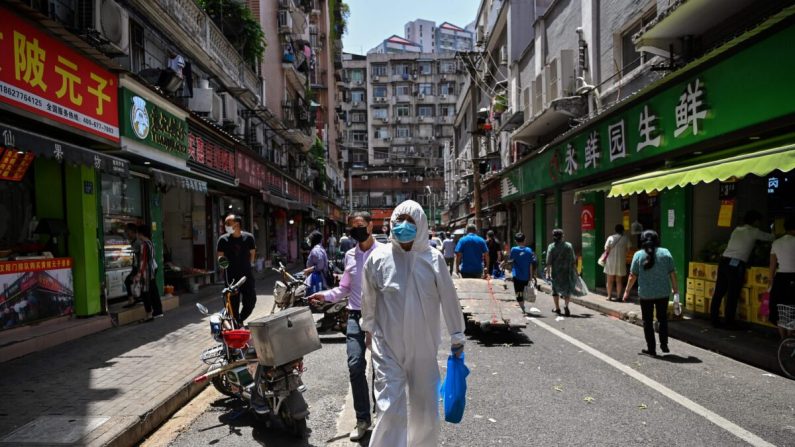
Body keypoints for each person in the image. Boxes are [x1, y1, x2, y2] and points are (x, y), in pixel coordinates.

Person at [362, 200, 465, 447]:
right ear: (391, 224)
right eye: (400, 221)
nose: (404, 227)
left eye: (411, 221)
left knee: (425, 408)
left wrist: (457, 336)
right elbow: (369, 297)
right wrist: (368, 329)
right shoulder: (378, 258)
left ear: (421, 225)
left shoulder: (434, 259)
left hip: (424, 348)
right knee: (388, 407)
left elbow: (449, 299)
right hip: (388, 347)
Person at [308, 212, 381, 441]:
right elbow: (344, 288)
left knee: (380, 369)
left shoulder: (385, 253)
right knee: (355, 363)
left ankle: (381, 416)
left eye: (360, 225)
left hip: (380, 318)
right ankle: (362, 419)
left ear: (371, 226)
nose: (356, 230)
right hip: (355, 316)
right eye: (353, 226)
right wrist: (325, 295)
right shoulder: (350, 254)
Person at [711, 210, 774, 328]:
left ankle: (714, 319)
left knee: (719, 292)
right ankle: (729, 322)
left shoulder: (737, 229)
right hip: (736, 263)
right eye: (759, 221)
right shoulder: (754, 231)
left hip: (724, 261)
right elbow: (771, 238)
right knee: (733, 293)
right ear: (755, 221)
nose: (759, 224)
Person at [623, 230, 678, 356]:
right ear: (657, 240)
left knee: (647, 321)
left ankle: (651, 349)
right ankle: (664, 344)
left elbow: (632, 276)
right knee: (662, 318)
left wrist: (626, 292)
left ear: (642, 241)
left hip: (646, 294)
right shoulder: (666, 253)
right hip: (663, 292)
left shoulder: (638, 255)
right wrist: (676, 290)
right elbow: (672, 274)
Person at [216, 214, 257, 325]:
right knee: (233, 305)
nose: (226, 226)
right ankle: (236, 325)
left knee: (251, 301)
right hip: (231, 278)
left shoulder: (249, 237)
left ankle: (240, 319)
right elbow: (220, 257)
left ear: (237, 224)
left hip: (246, 276)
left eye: (228, 223)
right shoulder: (223, 240)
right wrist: (222, 266)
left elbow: (252, 253)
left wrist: (250, 264)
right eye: (225, 224)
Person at [769, 216, 795, 339]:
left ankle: (782, 337)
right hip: (793, 278)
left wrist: (771, 281)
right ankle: (791, 336)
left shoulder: (776, 242)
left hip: (780, 278)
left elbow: (772, 265)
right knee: (792, 307)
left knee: (781, 308)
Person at [546, 229, 577, 316]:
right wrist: (576, 272)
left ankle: (557, 308)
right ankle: (566, 305)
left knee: (555, 290)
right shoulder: (569, 246)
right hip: (567, 272)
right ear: (562, 236)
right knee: (567, 290)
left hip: (556, 273)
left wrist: (548, 273)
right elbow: (573, 260)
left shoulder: (551, 247)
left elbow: (548, 262)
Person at [137, 224, 163, 320]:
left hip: (146, 271)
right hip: (152, 269)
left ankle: (149, 314)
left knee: (145, 292)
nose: (137, 235)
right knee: (153, 291)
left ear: (140, 233)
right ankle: (158, 311)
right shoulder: (150, 243)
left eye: (137, 233)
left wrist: (139, 273)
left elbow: (143, 260)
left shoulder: (143, 244)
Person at [510, 232, 536, 314]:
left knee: (518, 292)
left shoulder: (513, 250)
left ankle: (522, 307)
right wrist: (531, 277)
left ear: (515, 241)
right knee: (524, 292)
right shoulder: (529, 250)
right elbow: (530, 264)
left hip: (517, 275)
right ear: (525, 240)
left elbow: (511, 260)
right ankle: (523, 306)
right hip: (526, 275)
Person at [604, 224, 630, 301]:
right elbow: (628, 249)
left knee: (609, 280)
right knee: (619, 280)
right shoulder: (625, 239)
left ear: (615, 230)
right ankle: (619, 296)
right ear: (623, 230)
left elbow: (607, 249)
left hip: (610, 262)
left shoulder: (610, 238)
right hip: (620, 262)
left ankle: (609, 296)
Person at [122, 223, 142, 308]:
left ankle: (133, 299)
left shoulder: (137, 242)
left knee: (128, 281)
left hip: (138, 267)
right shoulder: (134, 241)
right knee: (131, 281)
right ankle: (135, 298)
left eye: (128, 233)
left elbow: (139, 256)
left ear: (134, 232)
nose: (127, 235)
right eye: (126, 233)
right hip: (136, 266)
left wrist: (138, 271)